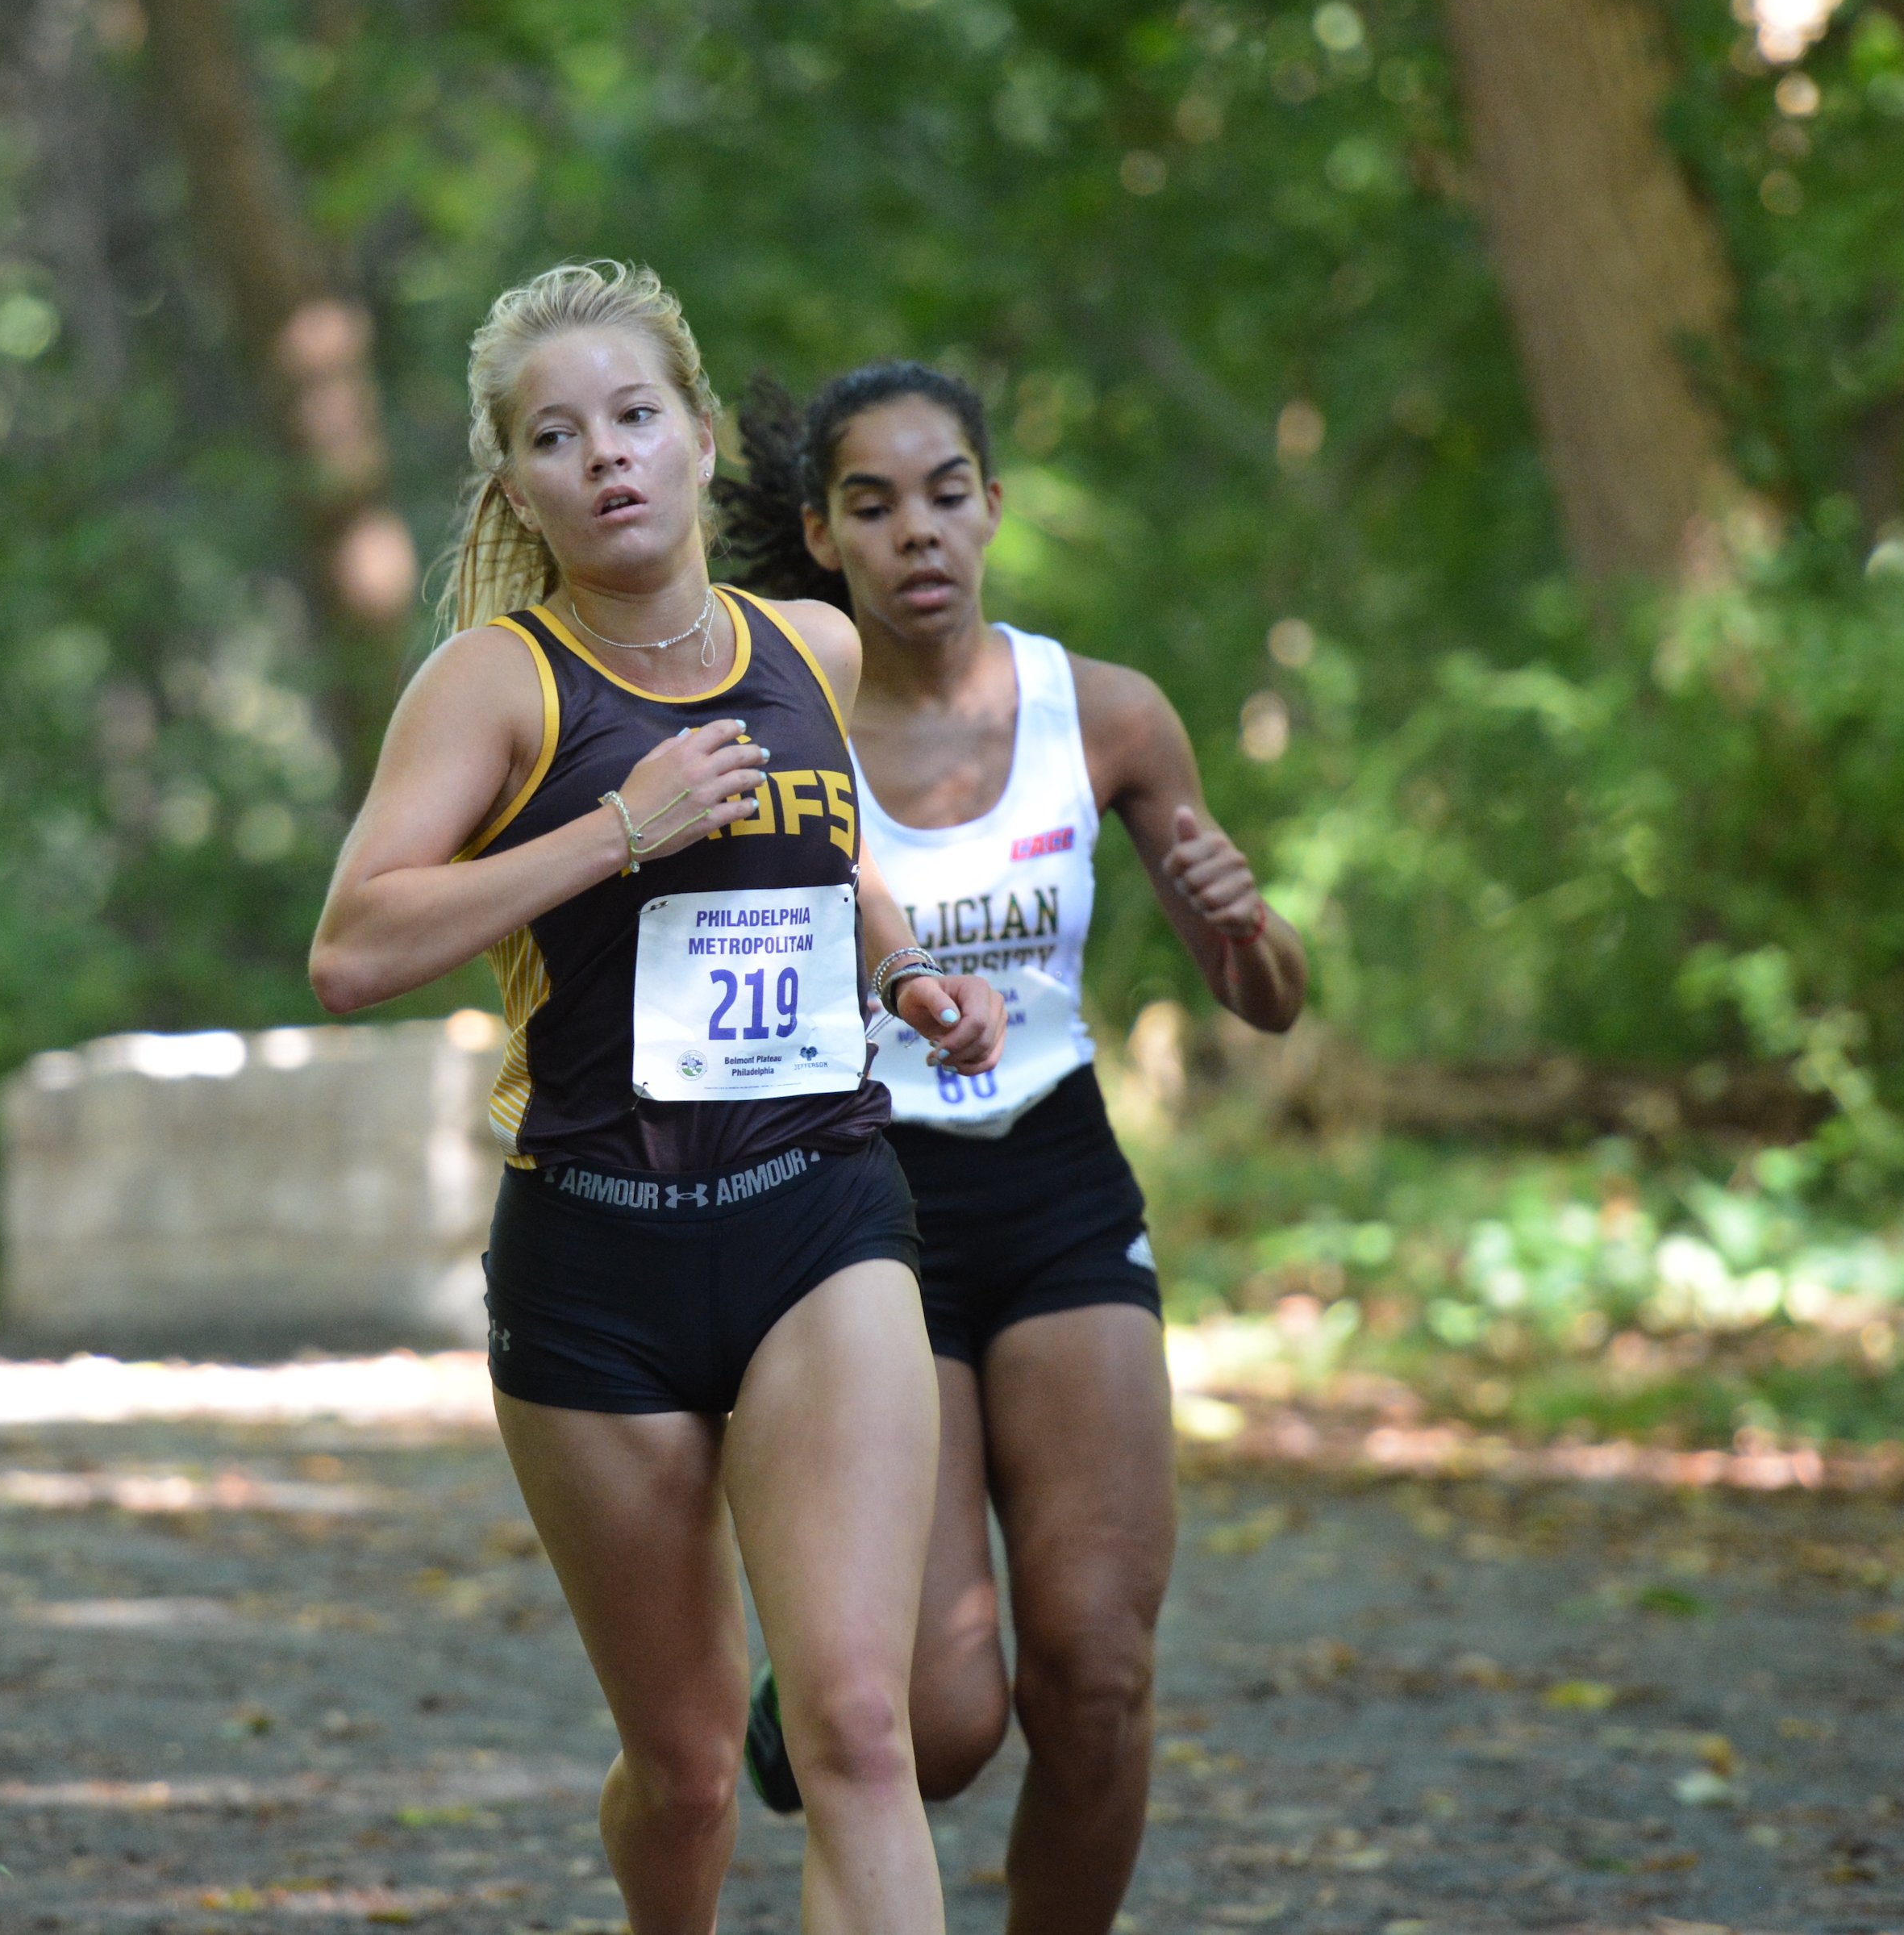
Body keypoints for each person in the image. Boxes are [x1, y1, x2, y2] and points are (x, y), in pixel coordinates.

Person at [310, 266, 1010, 1935]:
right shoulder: (494, 684)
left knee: (857, 1723)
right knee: (688, 1770)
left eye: (633, 418)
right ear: (515, 487)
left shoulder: (812, 646)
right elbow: (349, 946)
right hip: (593, 1259)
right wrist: (614, 829)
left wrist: (908, 971)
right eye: (556, 437)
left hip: (816, 1211)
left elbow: (822, 863)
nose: (605, 457)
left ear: (697, 440)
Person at [716, 363, 1309, 1935]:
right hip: (859, 1203)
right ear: (819, 535)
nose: (917, 530)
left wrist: (1243, 921)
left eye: (946, 489)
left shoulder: (1101, 713)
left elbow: (1259, 997)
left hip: (1053, 1183)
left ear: (991, 505)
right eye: (871, 501)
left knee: (1097, 1670)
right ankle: (805, 1689)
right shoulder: (780, 729)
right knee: (949, 1718)